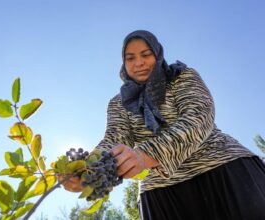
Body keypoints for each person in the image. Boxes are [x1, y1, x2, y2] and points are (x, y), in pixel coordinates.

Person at [63, 30, 265, 220]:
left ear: (157, 54)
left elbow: (198, 116)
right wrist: (87, 170)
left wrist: (147, 155)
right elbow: (114, 138)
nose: (139, 63)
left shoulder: (181, 77)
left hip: (222, 169)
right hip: (161, 191)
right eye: (130, 58)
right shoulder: (118, 103)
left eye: (146, 54)